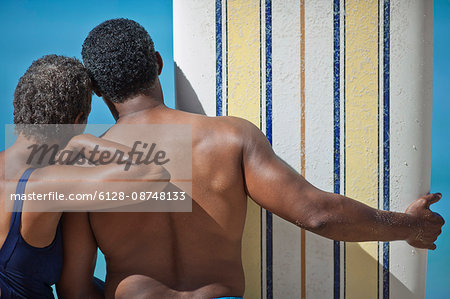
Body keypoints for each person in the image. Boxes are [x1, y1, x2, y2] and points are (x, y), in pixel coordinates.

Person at [57, 19, 445, 299]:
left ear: (97, 89)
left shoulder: (81, 168)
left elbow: (73, 288)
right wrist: (409, 226)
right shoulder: (229, 137)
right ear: (157, 64)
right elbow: (318, 214)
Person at [0, 55, 169, 299]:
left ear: (19, 106)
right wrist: (84, 140)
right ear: (79, 120)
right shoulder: (44, 185)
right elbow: (154, 173)